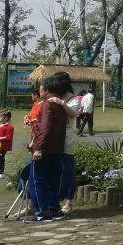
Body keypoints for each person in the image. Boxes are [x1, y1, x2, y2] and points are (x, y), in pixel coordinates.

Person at [26, 72, 72, 223]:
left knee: (38, 180)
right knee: (53, 181)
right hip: (58, 149)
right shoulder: (60, 105)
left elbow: (45, 128)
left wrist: (38, 147)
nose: (39, 91)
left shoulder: (47, 105)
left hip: (46, 150)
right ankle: (55, 210)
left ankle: (42, 212)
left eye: (40, 88)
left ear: (46, 90)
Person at [0, 109, 14, 180]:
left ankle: (1, 173)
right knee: (0, 159)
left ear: (6, 118)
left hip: (4, 146)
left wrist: (1, 138)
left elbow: (9, 137)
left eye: (0, 117)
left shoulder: (9, 127)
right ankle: (1, 173)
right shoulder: (1, 125)